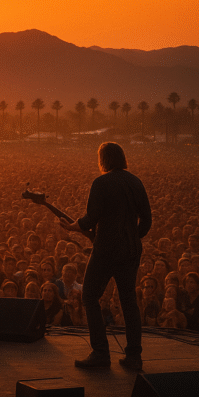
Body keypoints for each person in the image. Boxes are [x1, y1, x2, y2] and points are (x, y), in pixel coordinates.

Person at [60, 142, 151, 371]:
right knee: (129, 300)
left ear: (103, 160)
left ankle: (100, 352)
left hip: (106, 250)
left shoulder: (101, 183)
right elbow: (147, 221)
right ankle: (134, 356)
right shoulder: (136, 182)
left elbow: (91, 218)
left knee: (89, 296)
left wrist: (73, 227)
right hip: (130, 250)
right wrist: (131, 237)